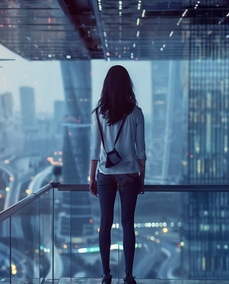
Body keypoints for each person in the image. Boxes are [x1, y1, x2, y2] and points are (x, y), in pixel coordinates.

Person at [89, 65, 146, 284]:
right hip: (130, 174)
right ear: (127, 85)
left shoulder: (99, 114)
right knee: (127, 224)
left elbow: (95, 150)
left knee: (105, 223)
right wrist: (143, 176)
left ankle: (106, 275)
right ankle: (129, 276)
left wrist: (91, 178)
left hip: (105, 174)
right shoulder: (136, 113)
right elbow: (140, 149)